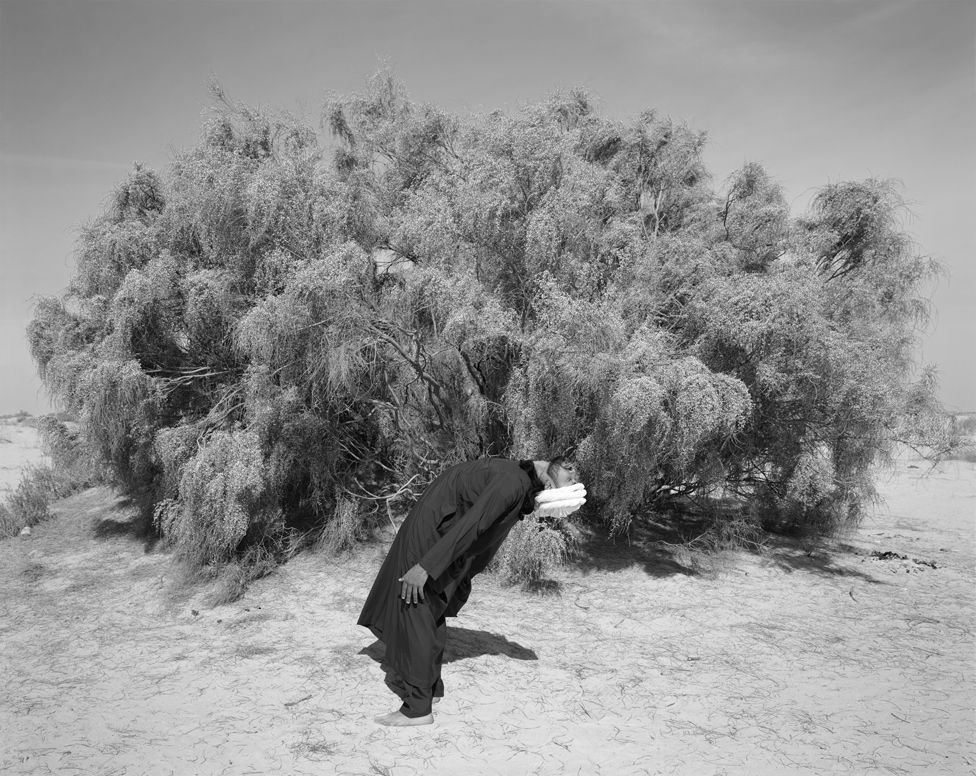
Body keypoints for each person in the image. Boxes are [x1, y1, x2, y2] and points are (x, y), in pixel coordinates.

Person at [358, 456, 580, 726]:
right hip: (433, 529)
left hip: (436, 534)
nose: (572, 478)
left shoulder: (515, 480)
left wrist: (428, 566)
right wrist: (431, 566)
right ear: (549, 474)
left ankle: (417, 709)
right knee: (423, 605)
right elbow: (473, 523)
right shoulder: (513, 480)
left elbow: (475, 525)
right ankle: (430, 691)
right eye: (569, 479)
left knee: (415, 606)